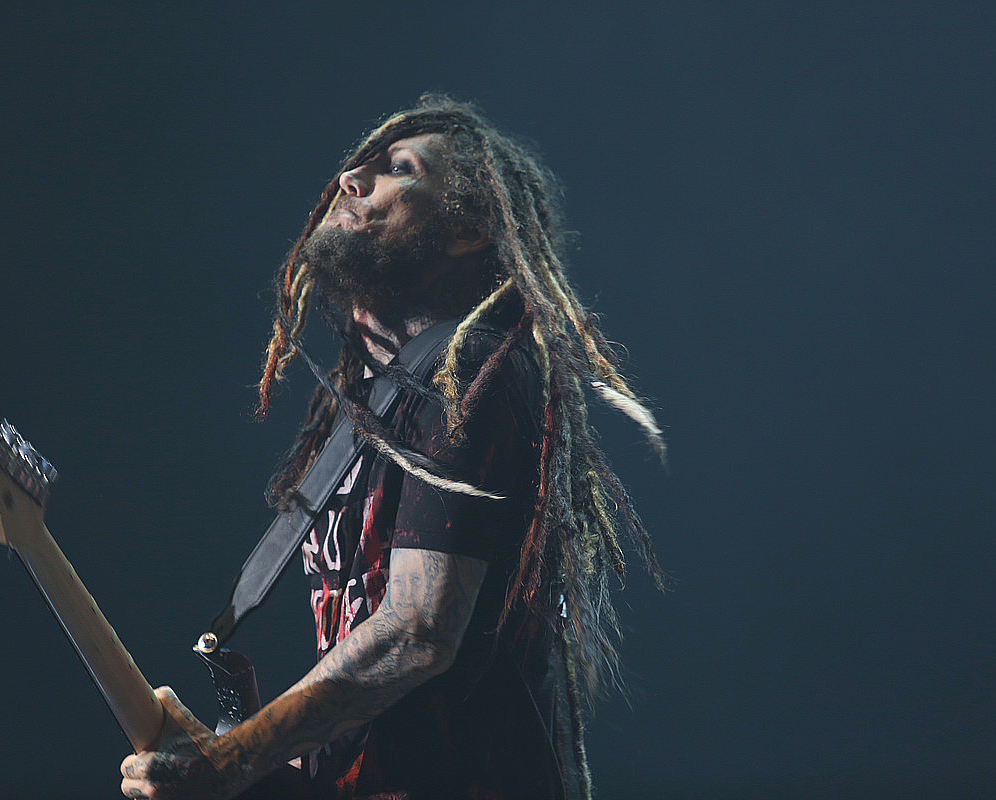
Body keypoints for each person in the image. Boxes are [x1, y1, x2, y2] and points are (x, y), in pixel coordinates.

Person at [119, 94, 666, 800]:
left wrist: (233, 762)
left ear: (467, 229)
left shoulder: (469, 373)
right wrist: (252, 761)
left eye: (399, 168)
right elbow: (370, 700)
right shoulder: (364, 412)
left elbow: (417, 633)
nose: (352, 178)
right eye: (361, 165)